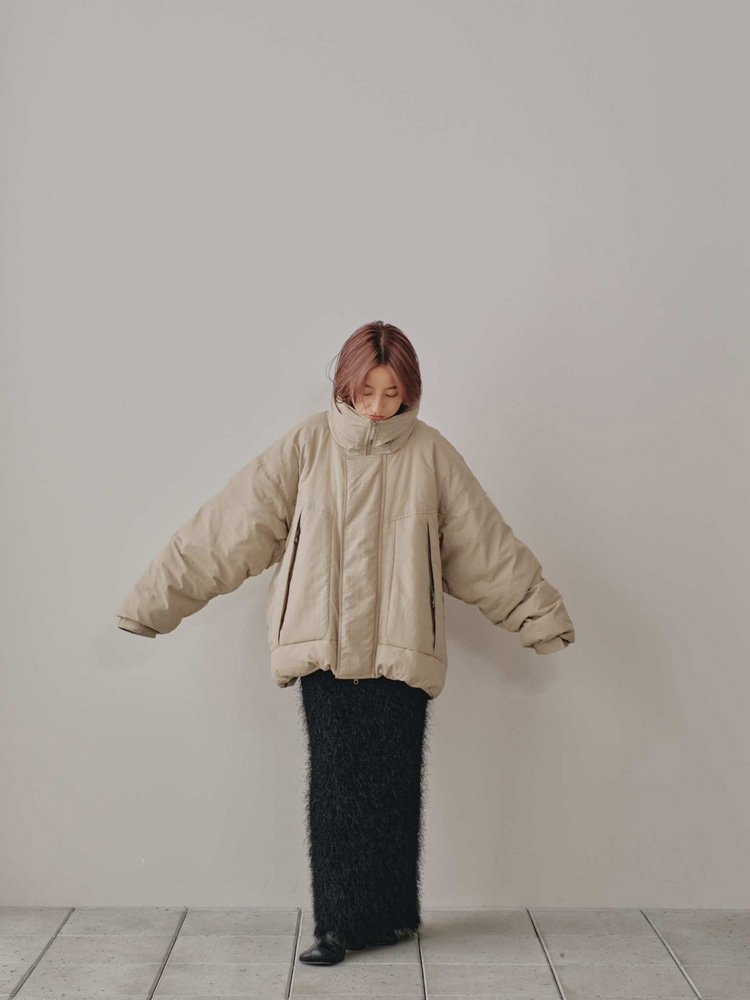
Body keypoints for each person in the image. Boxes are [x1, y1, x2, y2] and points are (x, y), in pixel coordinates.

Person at [116, 320, 575, 966]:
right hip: (323, 648)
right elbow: (227, 531)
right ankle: (337, 926)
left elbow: (484, 548)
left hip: (401, 646)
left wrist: (540, 616)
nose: (378, 407)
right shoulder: (306, 447)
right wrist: (152, 603)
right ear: (345, 385)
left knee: (394, 785)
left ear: (410, 390)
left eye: (392, 393)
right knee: (337, 788)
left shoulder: (431, 454)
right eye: (367, 392)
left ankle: (390, 918)